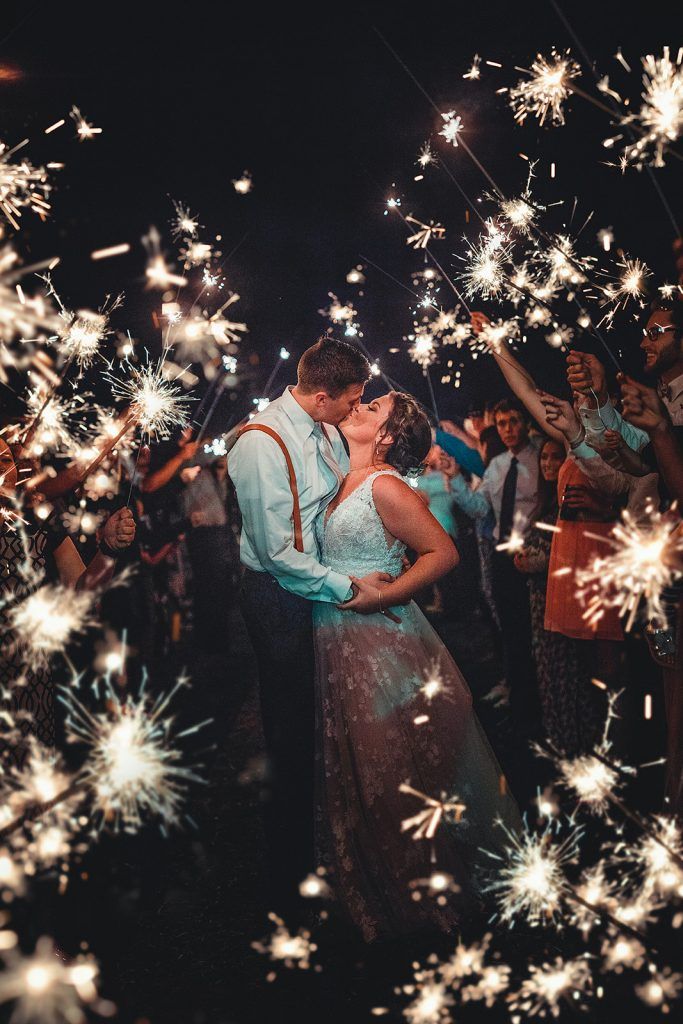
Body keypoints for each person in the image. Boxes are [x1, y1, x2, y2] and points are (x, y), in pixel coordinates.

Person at [315, 391, 521, 941]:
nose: (359, 405)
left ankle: (423, 900)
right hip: (334, 638)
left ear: (386, 435)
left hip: (380, 644)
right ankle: (380, 881)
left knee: (394, 771)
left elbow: (443, 552)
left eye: (374, 406)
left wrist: (385, 596)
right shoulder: (337, 477)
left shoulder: (386, 485)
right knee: (359, 766)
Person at [229, 336, 387, 915]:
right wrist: (349, 588)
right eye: (351, 400)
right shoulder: (261, 444)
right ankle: (287, 876)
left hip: (315, 584)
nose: (355, 410)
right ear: (322, 396)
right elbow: (276, 553)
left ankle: (324, 844)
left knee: (321, 718)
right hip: (277, 596)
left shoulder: (322, 427)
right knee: (291, 729)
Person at [0, 432, 136, 762]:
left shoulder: (37, 521)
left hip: (29, 682)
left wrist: (107, 551)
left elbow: (82, 594)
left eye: (4, 461)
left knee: (27, 785)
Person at [448, 394, 542, 792]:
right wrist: (452, 478)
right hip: (503, 558)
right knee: (511, 629)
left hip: (534, 555)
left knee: (538, 631)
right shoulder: (497, 465)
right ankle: (521, 704)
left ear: (525, 423)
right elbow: (478, 509)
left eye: (514, 421)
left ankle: (540, 706)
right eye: (502, 423)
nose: (508, 429)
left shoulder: (542, 459)